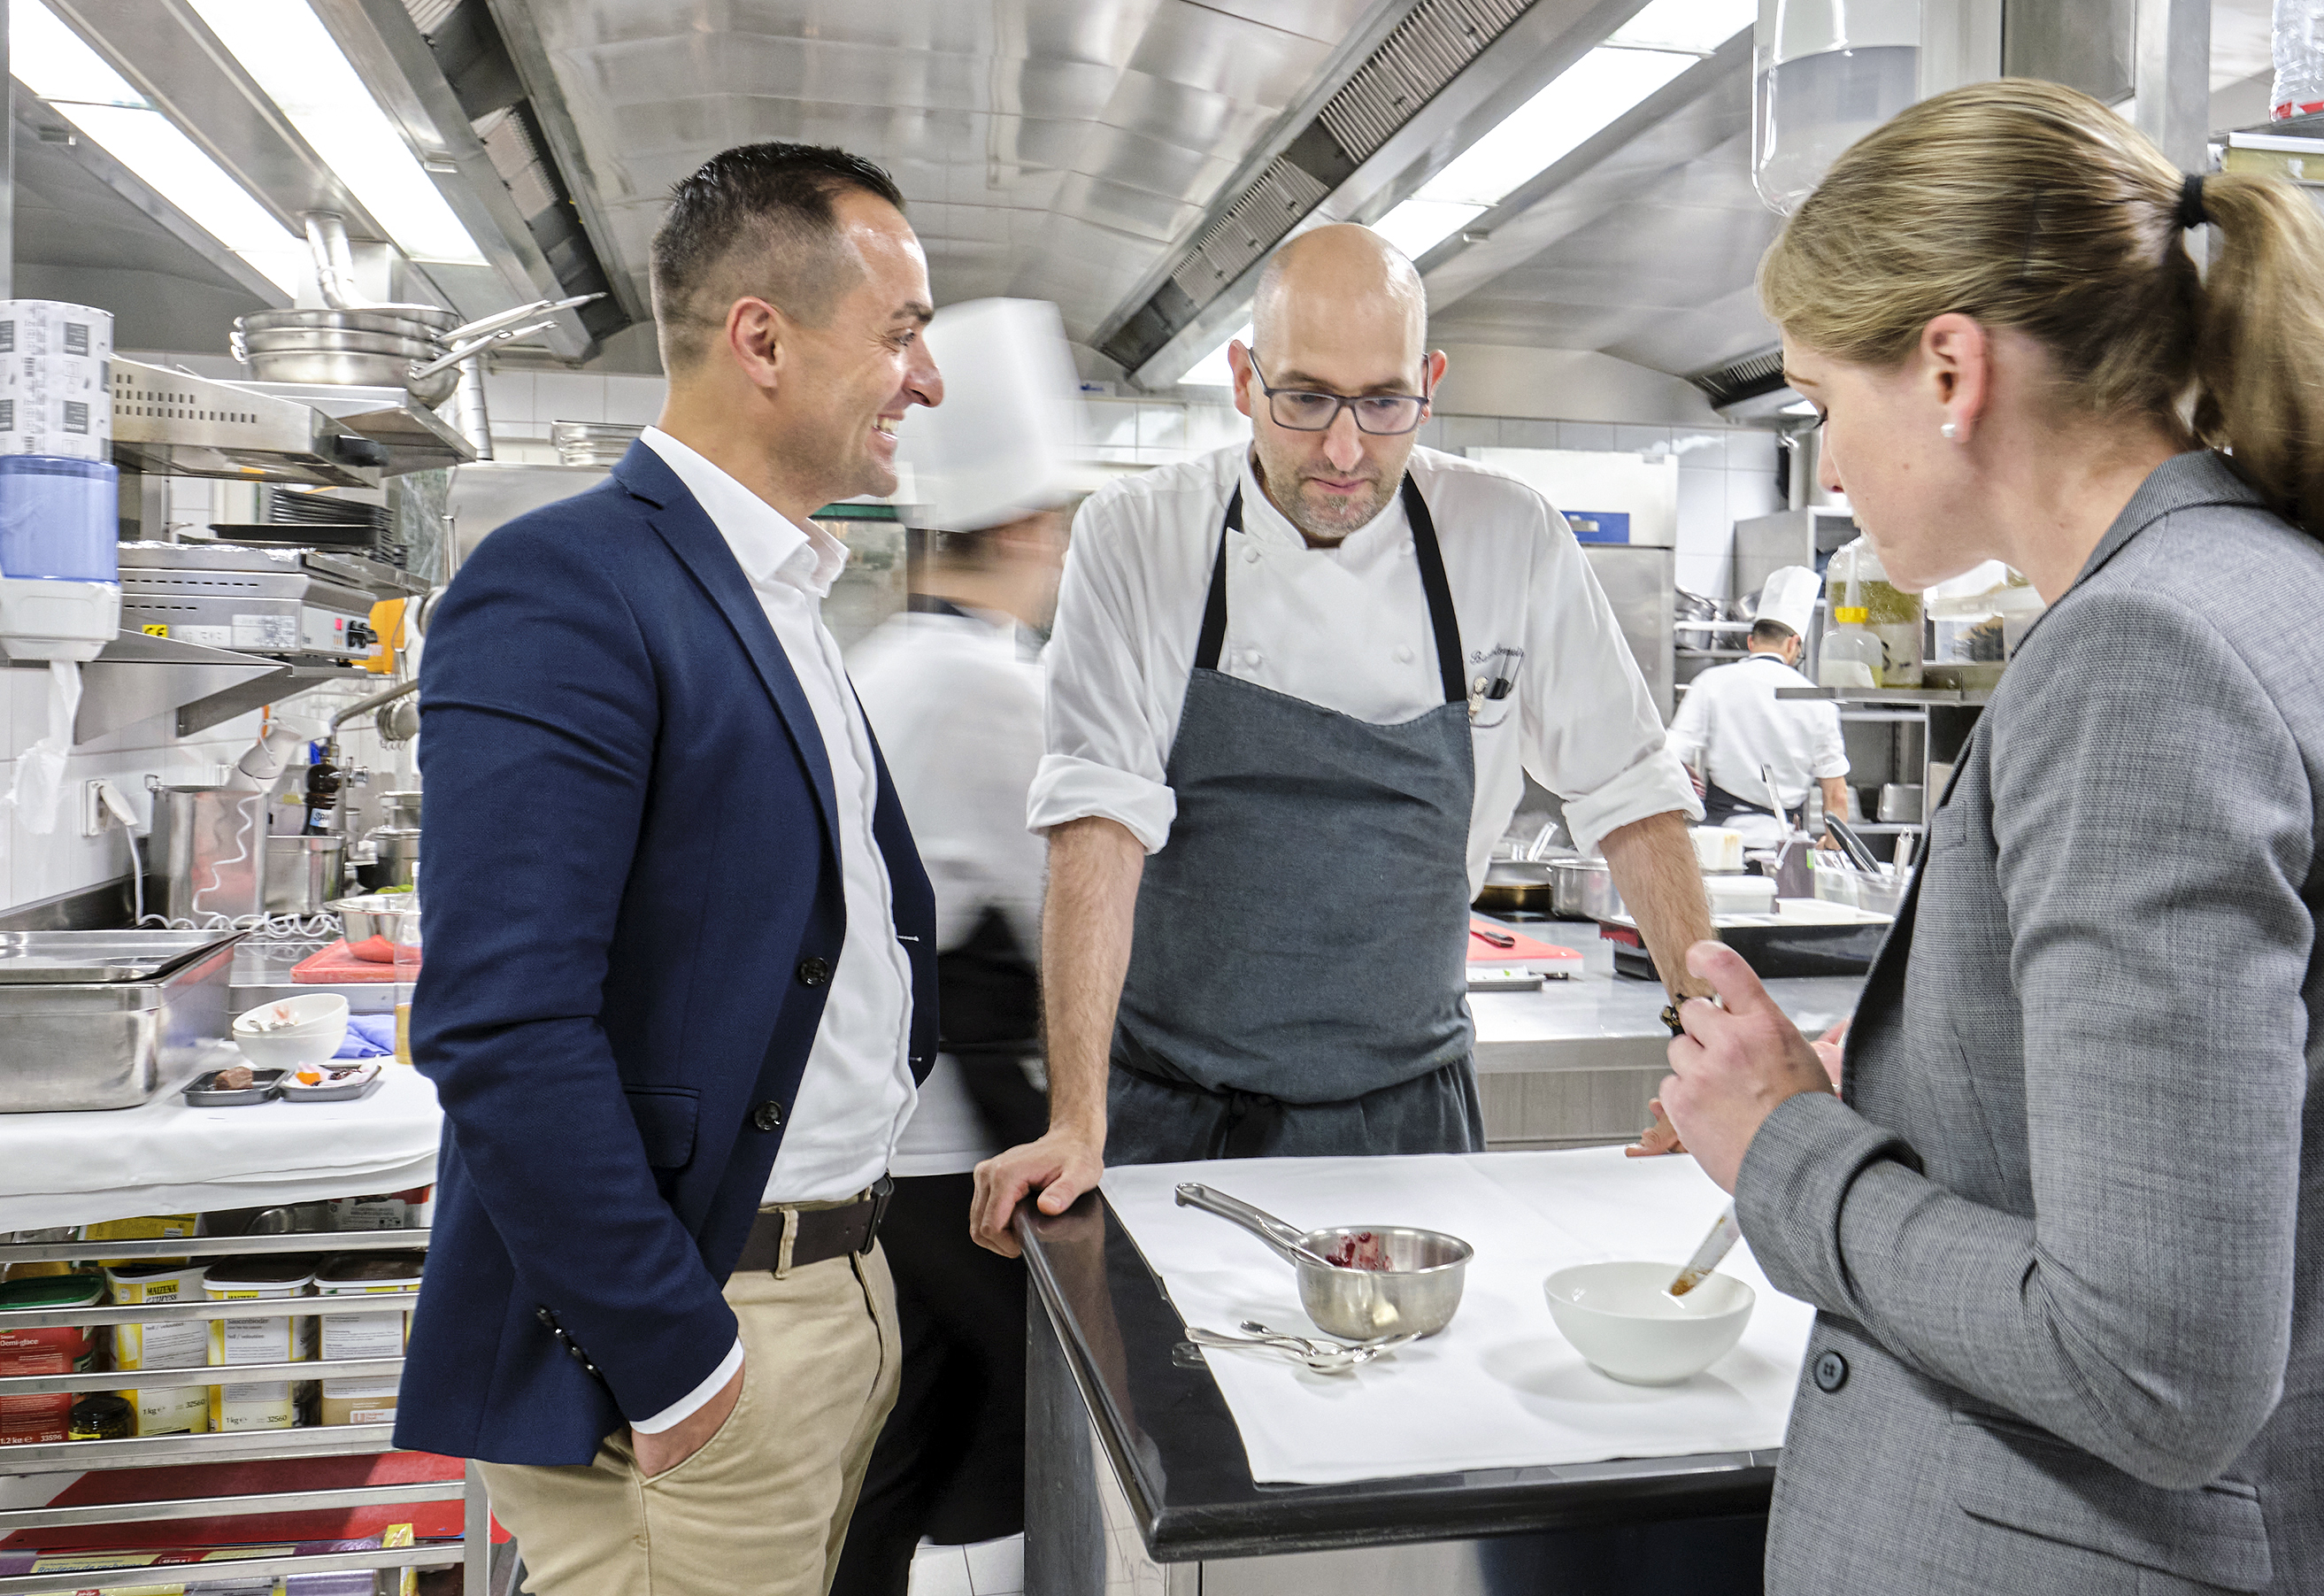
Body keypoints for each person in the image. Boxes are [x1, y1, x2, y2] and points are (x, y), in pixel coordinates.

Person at [1653, 81, 2324, 1592]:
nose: (1826, 468)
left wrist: (1784, 1148)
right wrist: (1931, 1077)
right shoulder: (2292, 593)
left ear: (1949, 367)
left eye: (1823, 403)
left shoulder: (2140, 664)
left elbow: (2152, 1364)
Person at [397, 142, 947, 1596]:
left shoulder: (781, 596)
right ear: (761, 337)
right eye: (901, 334)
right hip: (707, 1331)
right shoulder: (566, 584)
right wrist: (676, 1355)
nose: (926, 381)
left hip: (825, 1297)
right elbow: (499, 1026)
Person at [971, 222, 1715, 1250]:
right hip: (1176, 1117)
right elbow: (1096, 823)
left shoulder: (1508, 536)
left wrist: (1710, 1055)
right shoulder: (1140, 534)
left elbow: (1630, 795)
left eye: (1383, 402)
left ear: (1430, 382)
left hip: (1410, 1114)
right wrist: (1075, 1118)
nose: (1343, 449)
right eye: (1305, 398)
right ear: (1242, 380)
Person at [833, 297, 1073, 1596]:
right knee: (1008, 1435)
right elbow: (1069, 929)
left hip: (881, 1151)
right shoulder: (991, 688)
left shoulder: (887, 659)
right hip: (952, 1162)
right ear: (1026, 528)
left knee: (899, 1453)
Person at [1666, 602, 1849, 839]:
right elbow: (1837, 794)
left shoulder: (1711, 682)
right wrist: (1833, 845)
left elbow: (1671, 758)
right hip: (1788, 841)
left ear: (1751, 642)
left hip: (1720, 839)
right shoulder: (1817, 700)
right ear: (1793, 643)